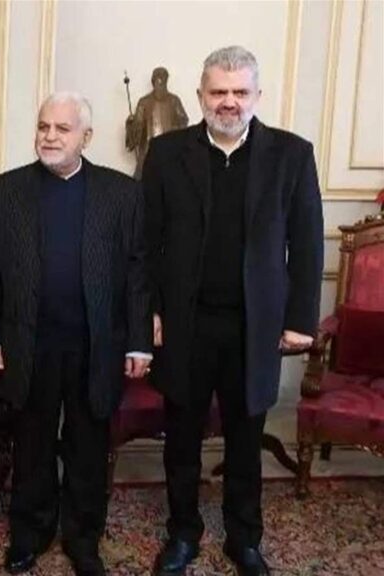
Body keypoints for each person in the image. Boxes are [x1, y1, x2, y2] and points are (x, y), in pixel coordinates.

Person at [144, 46, 323, 576]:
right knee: (181, 439)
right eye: (218, 91)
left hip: (256, 328)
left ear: (257, 96)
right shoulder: (166, 153)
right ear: (201, 95)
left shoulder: (292, 154)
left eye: (239, 92)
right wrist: (148, 310)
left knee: (246, 440)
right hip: (186, 324)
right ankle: (183, 533)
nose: (229, 102)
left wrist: (300, 320)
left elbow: (308, 243)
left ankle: (244, 539)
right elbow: (145, 241)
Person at [0, 92, 151, 576]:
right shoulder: (4, 190)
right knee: (31, 444)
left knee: (88, 446)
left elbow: (138, 274)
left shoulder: (121, 194)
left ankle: (83, 538)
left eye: (62, 129)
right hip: (27, 343)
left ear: (86, 137)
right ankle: (29, 534)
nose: (49, 136)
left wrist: (139, 340)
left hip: (96, 345)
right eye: (43, 126)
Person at [125, 67, 189, 179]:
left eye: (162, 81)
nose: (160, 84)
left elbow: (183, 121)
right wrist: (131, 124)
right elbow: (137, 128)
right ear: (153, 82)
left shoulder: (174, 100)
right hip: (148, 151)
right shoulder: (144, 102)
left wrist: (174, 132)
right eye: (157, 81)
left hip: (170, 151)